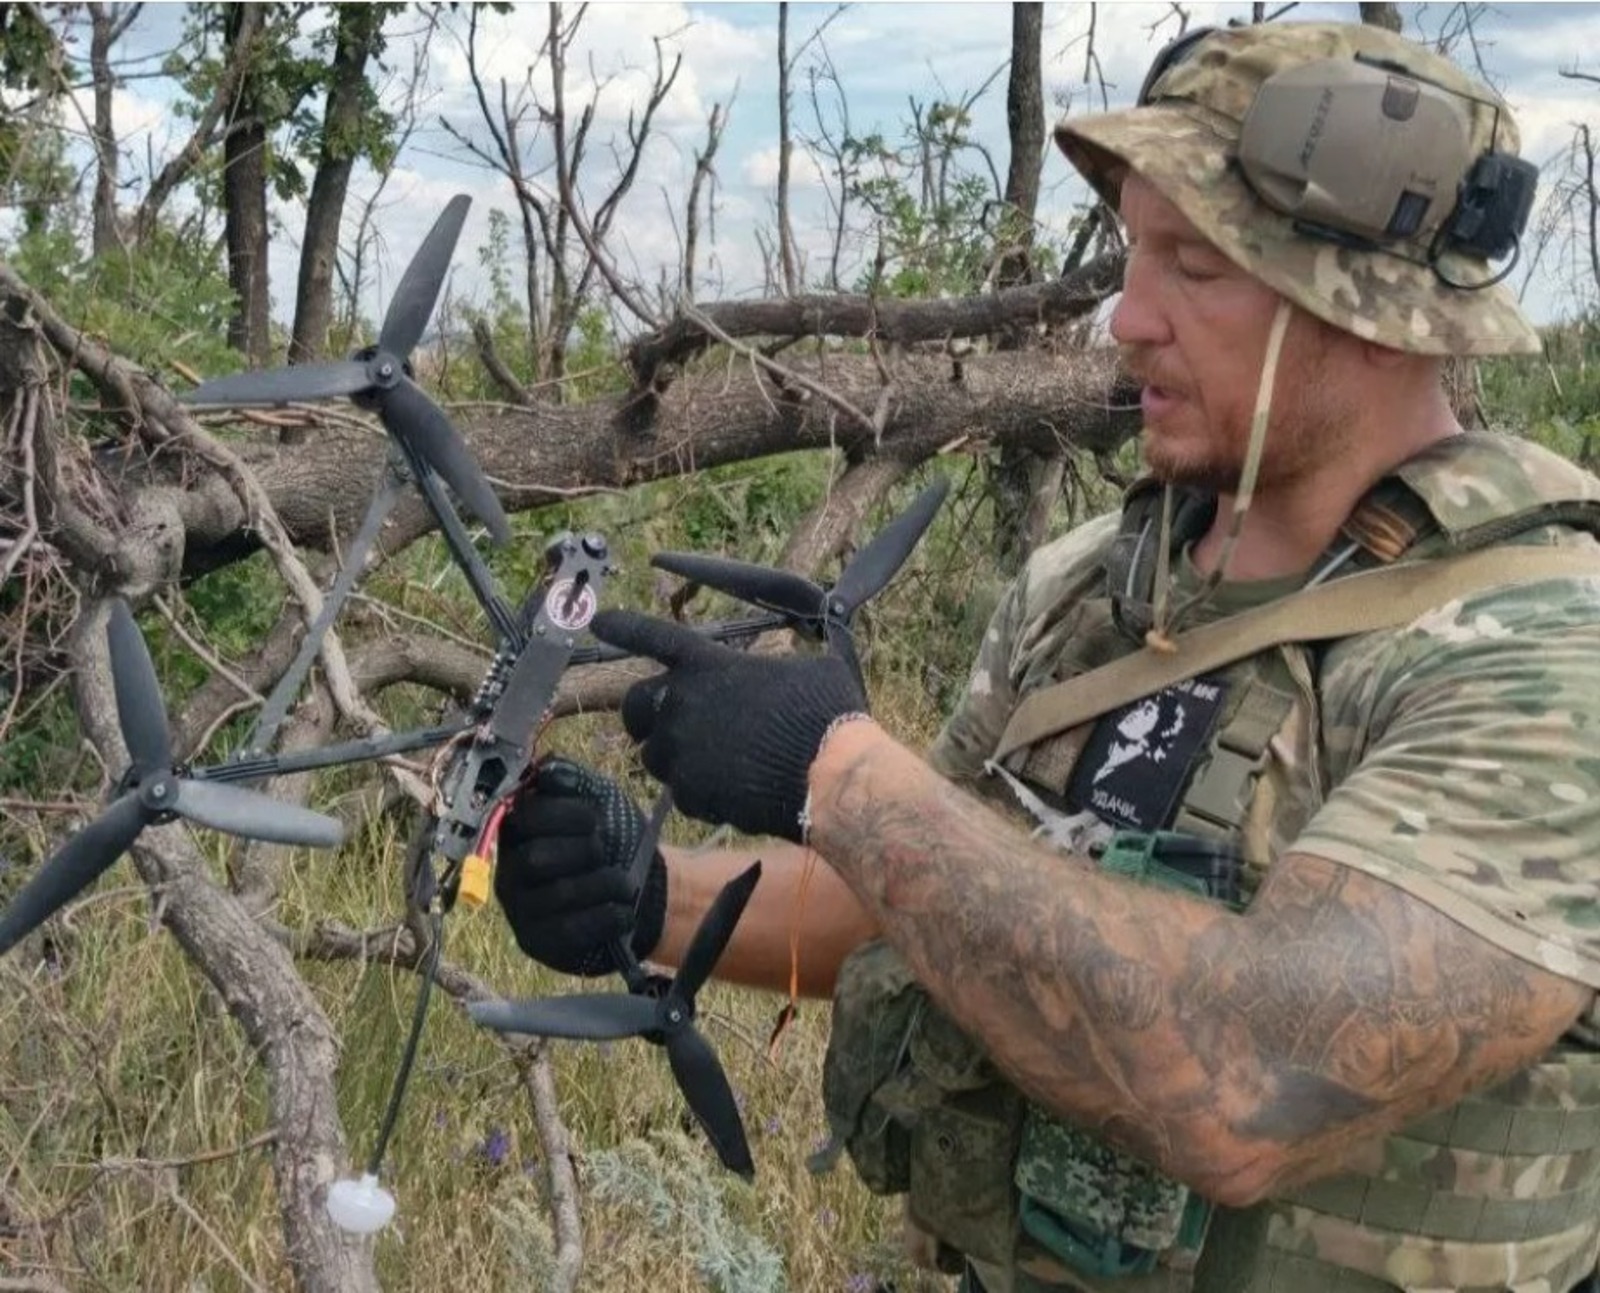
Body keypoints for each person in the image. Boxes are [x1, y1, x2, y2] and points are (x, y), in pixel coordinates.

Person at [494, 22, 1600, 1293]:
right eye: (1136, 255)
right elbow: (936, 895)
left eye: (1195, 264)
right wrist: (647, 899)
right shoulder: (1094, 587)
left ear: (1363, 313)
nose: (1129, 319)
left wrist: (836, 774)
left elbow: (1256, 1082)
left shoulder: (1538, 651)